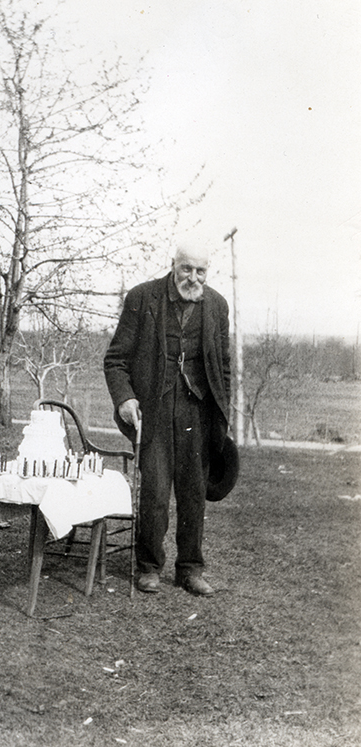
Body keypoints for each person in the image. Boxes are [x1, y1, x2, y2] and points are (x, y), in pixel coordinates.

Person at [103, 238, 231, 595]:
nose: (193, 277)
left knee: (193, 493)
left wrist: (225, 411)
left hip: (198, 413)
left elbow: (223, 366)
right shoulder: (143, 298)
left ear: (207, 272)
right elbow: (115, 360)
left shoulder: (217, 306)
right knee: (155, 493)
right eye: (186, 268)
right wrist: (125, 399)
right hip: (154, 413)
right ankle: (148, 566)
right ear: (173, 265)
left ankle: (190, 569)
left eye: (200, 270)